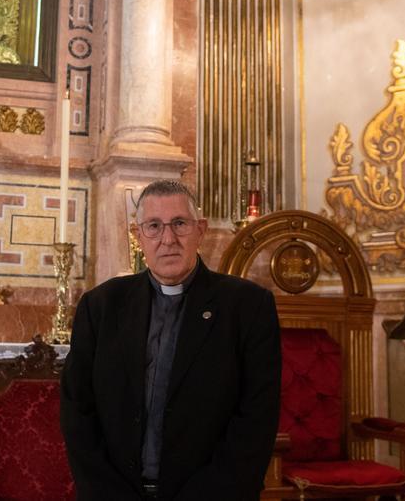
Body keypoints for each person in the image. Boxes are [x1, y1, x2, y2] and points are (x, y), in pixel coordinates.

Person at [60, 180, 281, 500]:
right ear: (138, 236)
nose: (168, 239)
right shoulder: (101, 306)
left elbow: (257, 417)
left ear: (200, 230)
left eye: (179, 224)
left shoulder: (247, 306)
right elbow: (76, 410)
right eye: (153, 226)